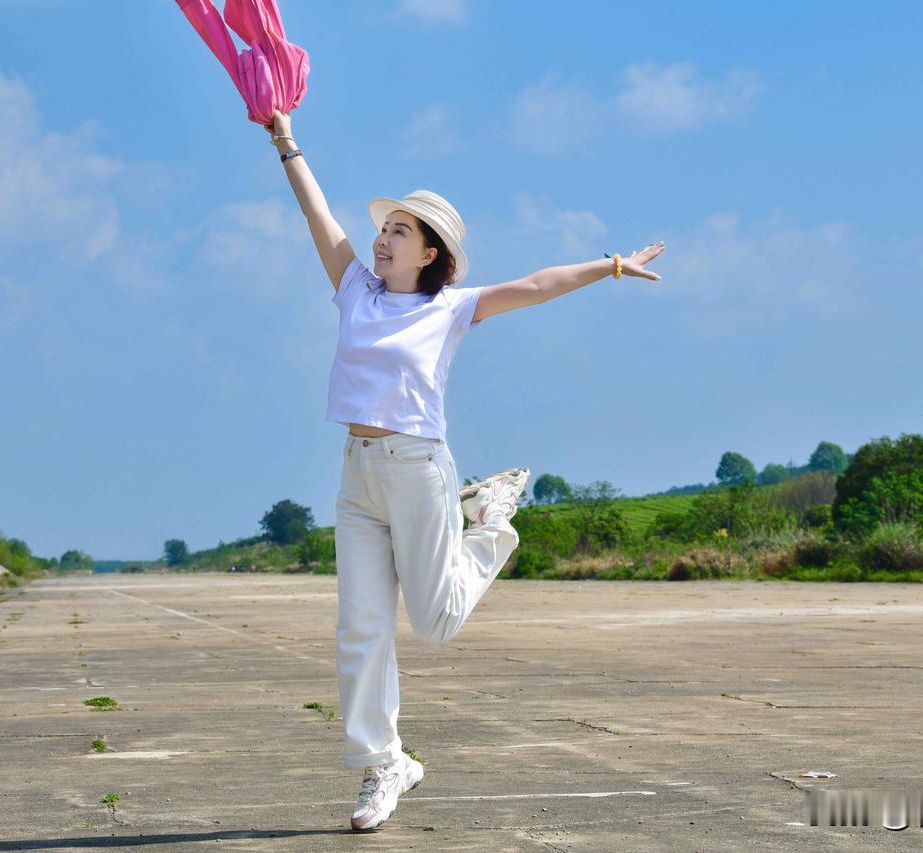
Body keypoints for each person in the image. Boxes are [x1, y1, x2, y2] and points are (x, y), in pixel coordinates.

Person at [266, 108, 664, 832]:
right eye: (385, 228)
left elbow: (537, 285)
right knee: (359, 629)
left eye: (400, 232)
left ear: (429, 254)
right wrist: (285, 142)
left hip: (418, 469)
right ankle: (384, 763)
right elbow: (316, 214)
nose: (383, 238)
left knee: (437, 622)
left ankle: (491, 524)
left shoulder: (451, 309)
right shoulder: (355, 288)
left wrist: (609, 265)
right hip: (358, 475)